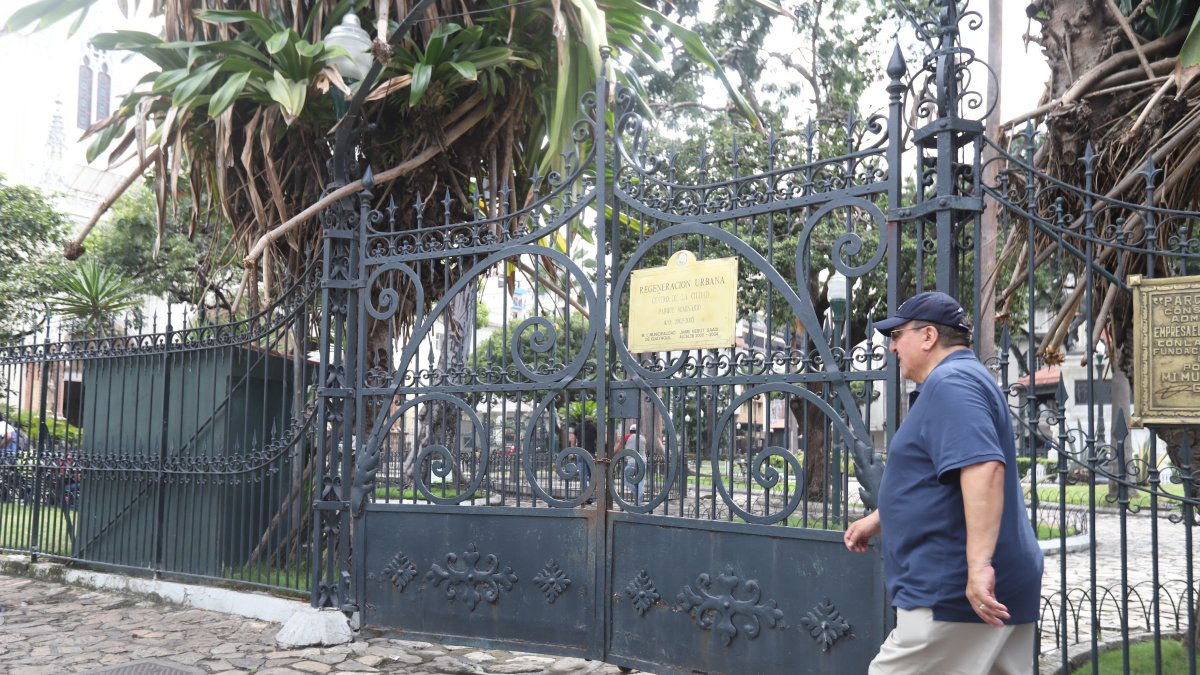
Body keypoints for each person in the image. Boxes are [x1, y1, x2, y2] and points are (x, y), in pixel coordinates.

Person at [843, 291, 1043, 675]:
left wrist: (979, 565)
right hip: (983, 587)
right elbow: (941, 480)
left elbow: (984, 468)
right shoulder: (961, 380)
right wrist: (879, 519)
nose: (892, 346)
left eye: (898, 334)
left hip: (952, 590)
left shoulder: (952, 383)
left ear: (929, 336)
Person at [613, 423, 646, 504]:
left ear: (630, 430)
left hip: (632, 461)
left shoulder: (627, 437)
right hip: (643, 461)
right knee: (641, 480)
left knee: (626, 479)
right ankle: (639, 497)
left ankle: (637, 493)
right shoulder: (643, 438)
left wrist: (610, 454)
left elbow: (617, 447)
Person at [572, 416, 597, 499]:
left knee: (583, 475)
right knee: (592, 474)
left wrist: (573, 453)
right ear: (591, 421)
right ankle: (591, 494)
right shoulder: (594, 427)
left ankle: (585, 495)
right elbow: (599, 440)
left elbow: (573, 441)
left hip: (580, 452)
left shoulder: (578, 427)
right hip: (591, 453)